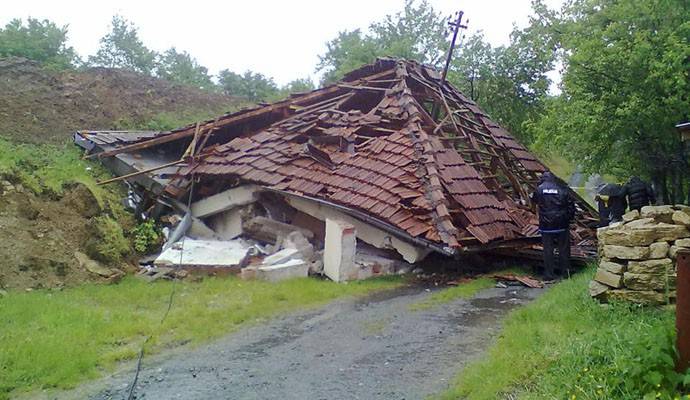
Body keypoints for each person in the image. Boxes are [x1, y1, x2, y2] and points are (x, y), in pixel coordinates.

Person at [532, 172, 576, 280]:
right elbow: (571, 206)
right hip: (561, 223)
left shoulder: (539, 189)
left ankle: (549, 274)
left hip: (546, 224)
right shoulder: (562, 188)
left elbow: (534, 201)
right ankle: (565, 272)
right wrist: (569, 218)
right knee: (564, 249)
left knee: (548, 250)